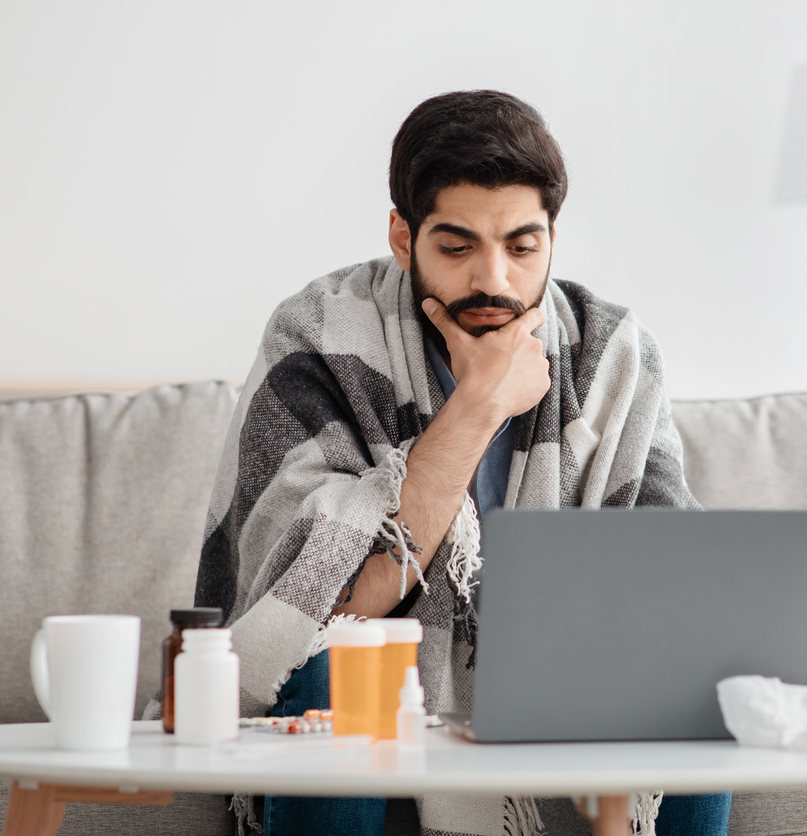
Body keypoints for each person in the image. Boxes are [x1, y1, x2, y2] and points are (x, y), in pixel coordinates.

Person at [192, 90, 732, 836]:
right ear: (402, 235)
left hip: (564, 673)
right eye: (457, 246)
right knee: (340, 676)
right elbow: (318, 607)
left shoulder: (612, 353)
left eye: (522, 246)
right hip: (371, 672)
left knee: (700, 678)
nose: (495, 281)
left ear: (552, 236)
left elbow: (672, 588)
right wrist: (477, 408)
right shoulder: (316, 337)